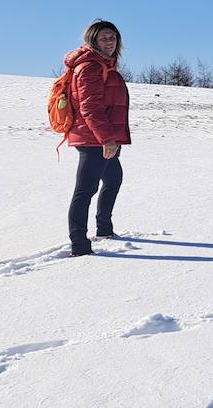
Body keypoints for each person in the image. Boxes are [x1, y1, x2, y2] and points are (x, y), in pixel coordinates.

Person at [61, 19, 131, 257]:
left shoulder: (104, 65)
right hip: (94, 139)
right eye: (104, 38)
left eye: (113, 37)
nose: (109, 42)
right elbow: (90, 108)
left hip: (103, 137)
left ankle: (104, 230)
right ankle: (79, 245)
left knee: (113, 180)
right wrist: (106, 139)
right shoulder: (90, 67)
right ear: (93, 40)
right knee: (85, 190)